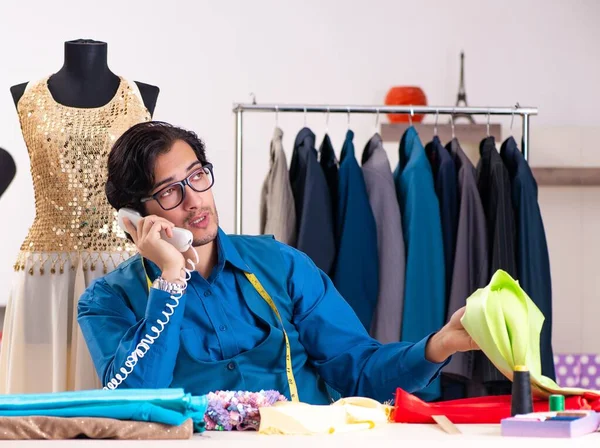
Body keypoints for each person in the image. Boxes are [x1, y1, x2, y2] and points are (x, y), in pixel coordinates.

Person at [77, 121, 479, 405]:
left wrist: (439, 344)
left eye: (197, 176)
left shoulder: (282, 265)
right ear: (135, 218)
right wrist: (169, 280)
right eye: (169, 192)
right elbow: (132, 397)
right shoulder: (107, 301)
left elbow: (359, 373)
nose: (194, 199)